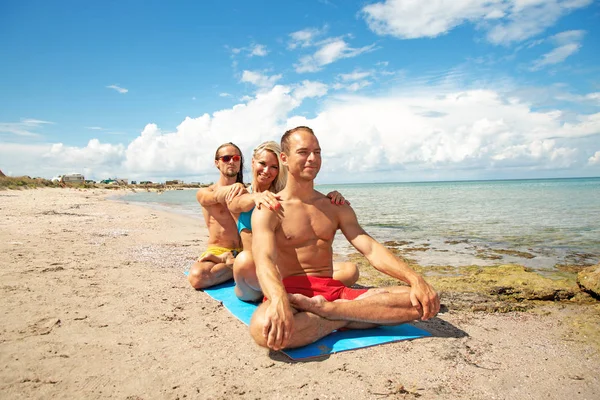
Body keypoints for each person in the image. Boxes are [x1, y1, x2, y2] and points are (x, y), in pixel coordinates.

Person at [249, 127, 440, 350]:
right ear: (284, 158)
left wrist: (414, 278)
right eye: (303, 152)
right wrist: (278, 299)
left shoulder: (334, 207)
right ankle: (353, 316)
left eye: (317, 152)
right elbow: (264, 260)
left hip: (333, 294)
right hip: (291, 293)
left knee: (420, 302)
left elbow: (370, 248)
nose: (312, 159)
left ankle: (330, 312)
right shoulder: (270, 208)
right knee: (263, 330)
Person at [223, 141, 359, 301]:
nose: (267, 171)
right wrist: (257, 197)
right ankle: (288, 292)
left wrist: (331, 199)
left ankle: (294, 290)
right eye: (262, 164)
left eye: (274, 167)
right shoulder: (240, 192)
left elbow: (310, 203)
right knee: (244, 260)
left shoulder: (283, 196)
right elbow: (236, 204)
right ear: (253, 162)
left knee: (351, 270)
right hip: (254, 277)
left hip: (285, 274)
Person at [187, 142, 247, 289]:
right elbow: (214, 197)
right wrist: (235, 187)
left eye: (236, 158)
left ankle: (234, 265)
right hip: (218, 251)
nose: (232, 161)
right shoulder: (205, 192)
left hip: (245, 250)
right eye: (226, 158)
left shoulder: (247, 192)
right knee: (197, 278)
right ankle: (235, 266)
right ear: (217, 163)